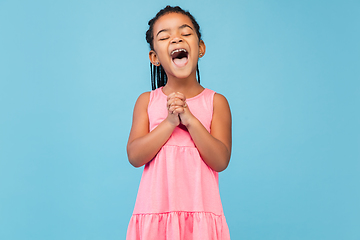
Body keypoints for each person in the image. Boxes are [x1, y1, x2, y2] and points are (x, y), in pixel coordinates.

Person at [126, 5, 232, 240]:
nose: (176, 39)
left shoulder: (216, 102)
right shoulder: (147, 101)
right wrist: (170, 122)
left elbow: (220, 160)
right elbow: (134, 156)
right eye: (164, 37)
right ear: (154, 57)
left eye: (185, 33)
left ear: (200, 48)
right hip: (155, 216)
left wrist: (191, 120)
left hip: (201, 218)